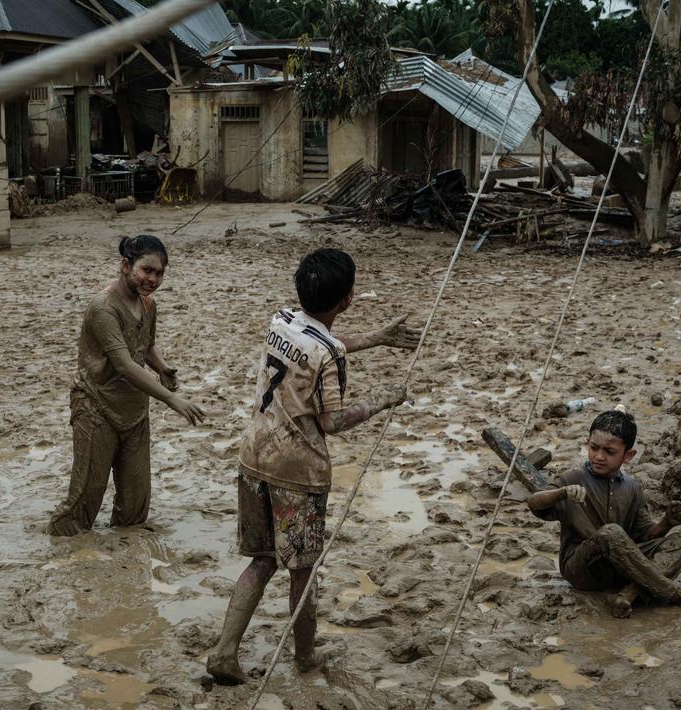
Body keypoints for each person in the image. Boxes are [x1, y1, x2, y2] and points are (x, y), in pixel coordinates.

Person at [205, 248, 419, 684]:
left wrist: (376, 338)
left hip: (254, 455)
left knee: (262, 560)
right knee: (303, 568)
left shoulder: (281, 318)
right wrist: (384, 398)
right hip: (297, 472)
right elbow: (333, 421)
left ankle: (224, 653)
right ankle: (305, 655)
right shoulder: (328, 356)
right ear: (347, 299)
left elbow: (320, 343)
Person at [47, 235, 205, 536]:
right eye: (146, 270)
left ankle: (121, 564)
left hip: (134, 408)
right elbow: (124, 363)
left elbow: (144, 345)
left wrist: (163, 368)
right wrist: (172, 400)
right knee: (83, 503)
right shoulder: (103, 308)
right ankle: (57, 553)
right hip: (96, 406)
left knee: (135, 508)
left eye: (159, 273)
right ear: (125, 266)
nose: (152, 279)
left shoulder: (148, 304)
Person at [527, 411, 681, 618]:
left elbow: (645, 536)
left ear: (628, 455)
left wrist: (667, 522)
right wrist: (560, 494)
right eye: (594, 448)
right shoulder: (572, 479)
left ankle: (626, 595)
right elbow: (534, 503)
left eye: (609, 451)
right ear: (587, 443)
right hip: (583, 570)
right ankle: (674, 594)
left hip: (623, 566)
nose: (599, 456)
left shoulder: (633, 487)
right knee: (611, 533)